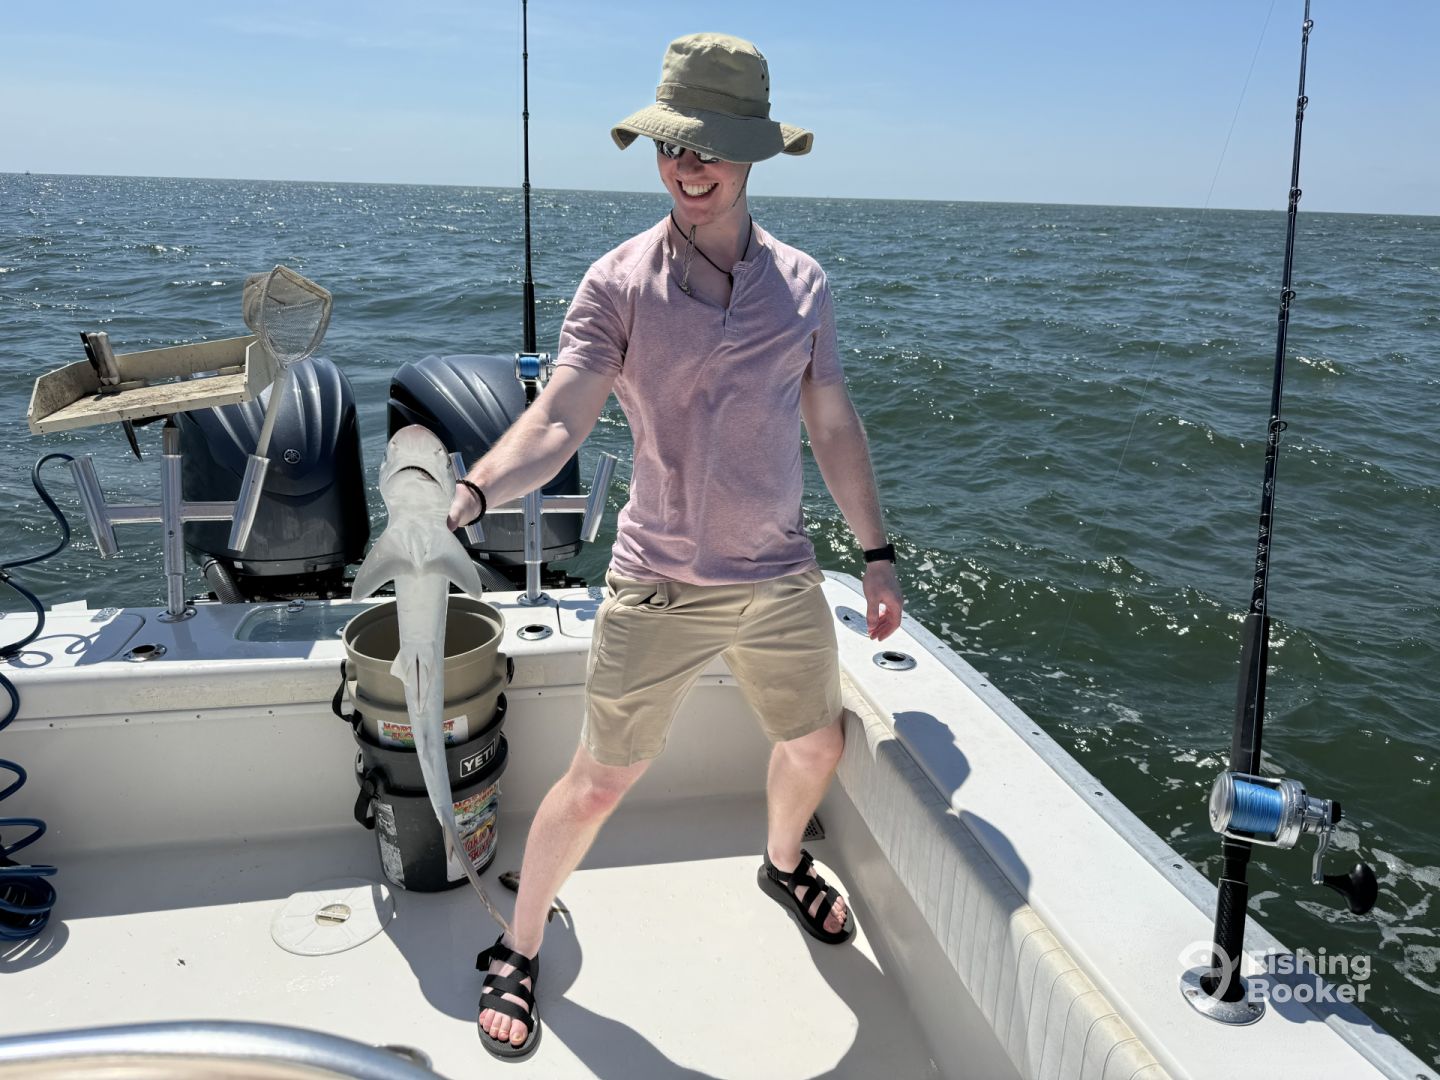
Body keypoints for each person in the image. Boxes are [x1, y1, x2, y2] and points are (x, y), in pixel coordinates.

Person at [447, 32, 903, 1061]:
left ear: (753, 155)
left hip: (781, 575)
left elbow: (833, 422)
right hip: (657, 582)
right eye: (671, 147)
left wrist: (876, 552)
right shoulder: (615, 283)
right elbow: (559, 420)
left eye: (709, 148)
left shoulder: (804, 284)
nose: (687, 167)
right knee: (600, 781)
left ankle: (782, 862)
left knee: (818, 742)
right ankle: (519, 945)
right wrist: (472, 493)